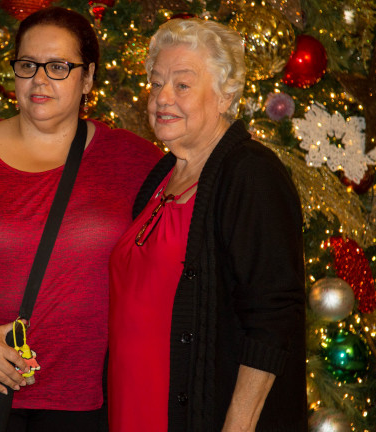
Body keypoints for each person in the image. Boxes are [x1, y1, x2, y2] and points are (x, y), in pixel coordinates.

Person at [0, 6, 163, 431]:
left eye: (58, 66)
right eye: (27, 65)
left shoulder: (132, 160)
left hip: (84, 403)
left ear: (88, 78)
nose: (39, 79)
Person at [107, 18, 306, 432]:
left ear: (225, 95)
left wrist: (238, 425)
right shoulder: (162, 174)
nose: (162, 98)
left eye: (182, 85)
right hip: (134, 409)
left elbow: (273, 316)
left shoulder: (250, 173)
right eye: (156, 83)